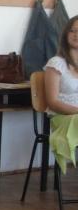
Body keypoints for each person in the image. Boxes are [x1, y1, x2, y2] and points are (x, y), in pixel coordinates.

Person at [44, 15, 78, 172]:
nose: (76, 35)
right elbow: (52, 102)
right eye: (73, 30)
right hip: (62, 117)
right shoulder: (56, 63)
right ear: (65, 34)